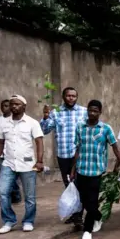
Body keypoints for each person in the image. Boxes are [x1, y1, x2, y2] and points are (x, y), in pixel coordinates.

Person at [71, 100, 120, 239]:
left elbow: (115, 147)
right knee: (83, 200)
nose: (92, 113)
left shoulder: (105, 129)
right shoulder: (80, 127)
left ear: (100, 112)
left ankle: (87, 230)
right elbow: (77, 149)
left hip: (96, 171)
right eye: (90, 110)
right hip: (81, 170)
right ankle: (97, 216)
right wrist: (73, 169)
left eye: (95, 111)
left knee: (92, 200)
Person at [40, 87, 88, 224]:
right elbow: (44, 130)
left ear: (77, 97)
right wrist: (45, 117)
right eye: (68, 96)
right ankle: (74, 212)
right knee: (69, 185)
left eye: (74, 96)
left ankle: (78, 215)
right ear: (63, 97)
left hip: (79, 154)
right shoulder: (56, 113)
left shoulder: (84, 112)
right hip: (63, 155)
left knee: (79, 184)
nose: (71, 98)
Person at [0, 95, 44, 234]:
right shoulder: (3, 123)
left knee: (29, 196)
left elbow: (39, 141)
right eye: (12, 104)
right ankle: (9, 220)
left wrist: (40, 161)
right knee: (3, 192)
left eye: (17, 104)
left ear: (24, 106)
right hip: (8, 162)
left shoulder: (32, 123)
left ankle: (28, 221)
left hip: (27, 164)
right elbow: (0, 142)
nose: (13, 107)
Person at [0, 98, 22, 204]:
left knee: (12, 177)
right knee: (5, 176)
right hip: (1, 154)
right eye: (3, 106)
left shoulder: (15, 120)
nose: (6, 108)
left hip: (13, 153)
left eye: (8, 105)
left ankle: (16, 194)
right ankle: (8, 196)